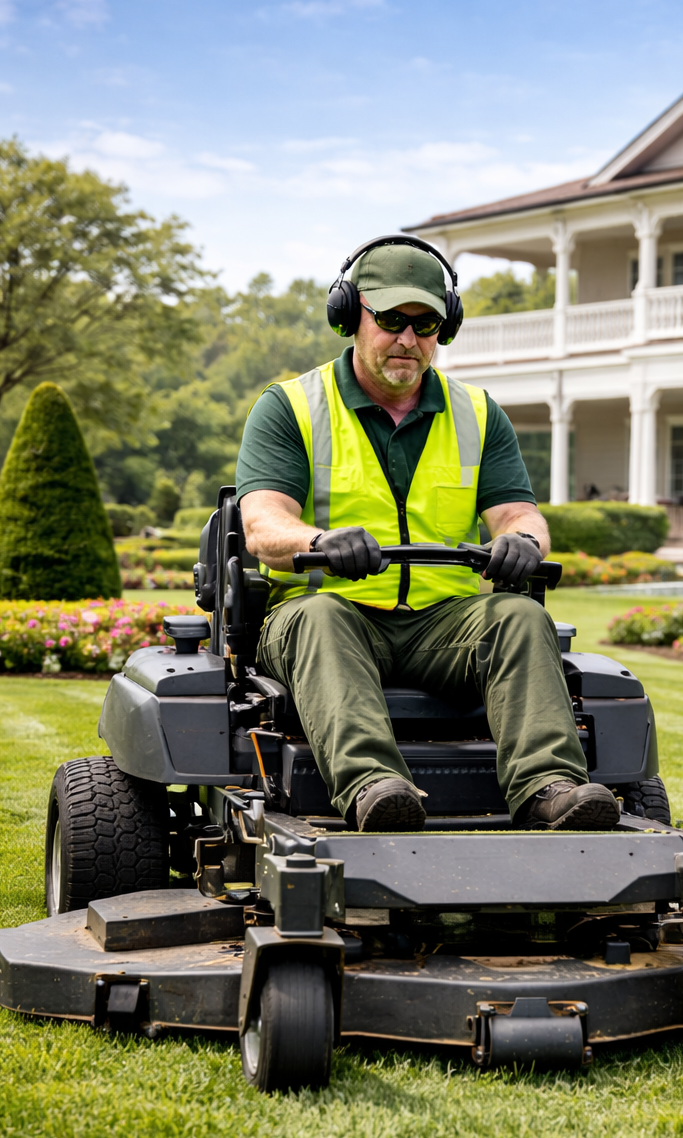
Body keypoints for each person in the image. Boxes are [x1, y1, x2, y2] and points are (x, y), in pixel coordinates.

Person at [237, 235, 620, 835]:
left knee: (520, 618)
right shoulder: (289, 407)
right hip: (328, 612)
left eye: (426, 324)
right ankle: (374, 790)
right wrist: (319, 542)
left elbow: (520, 514)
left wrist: (524, 542)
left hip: (444, 622)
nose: (408, 339)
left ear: (446, 326)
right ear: (349, 316)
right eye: (390, 320)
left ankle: (550, 788)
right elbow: (262, 524)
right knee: (321, 619)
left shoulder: (479, 413)